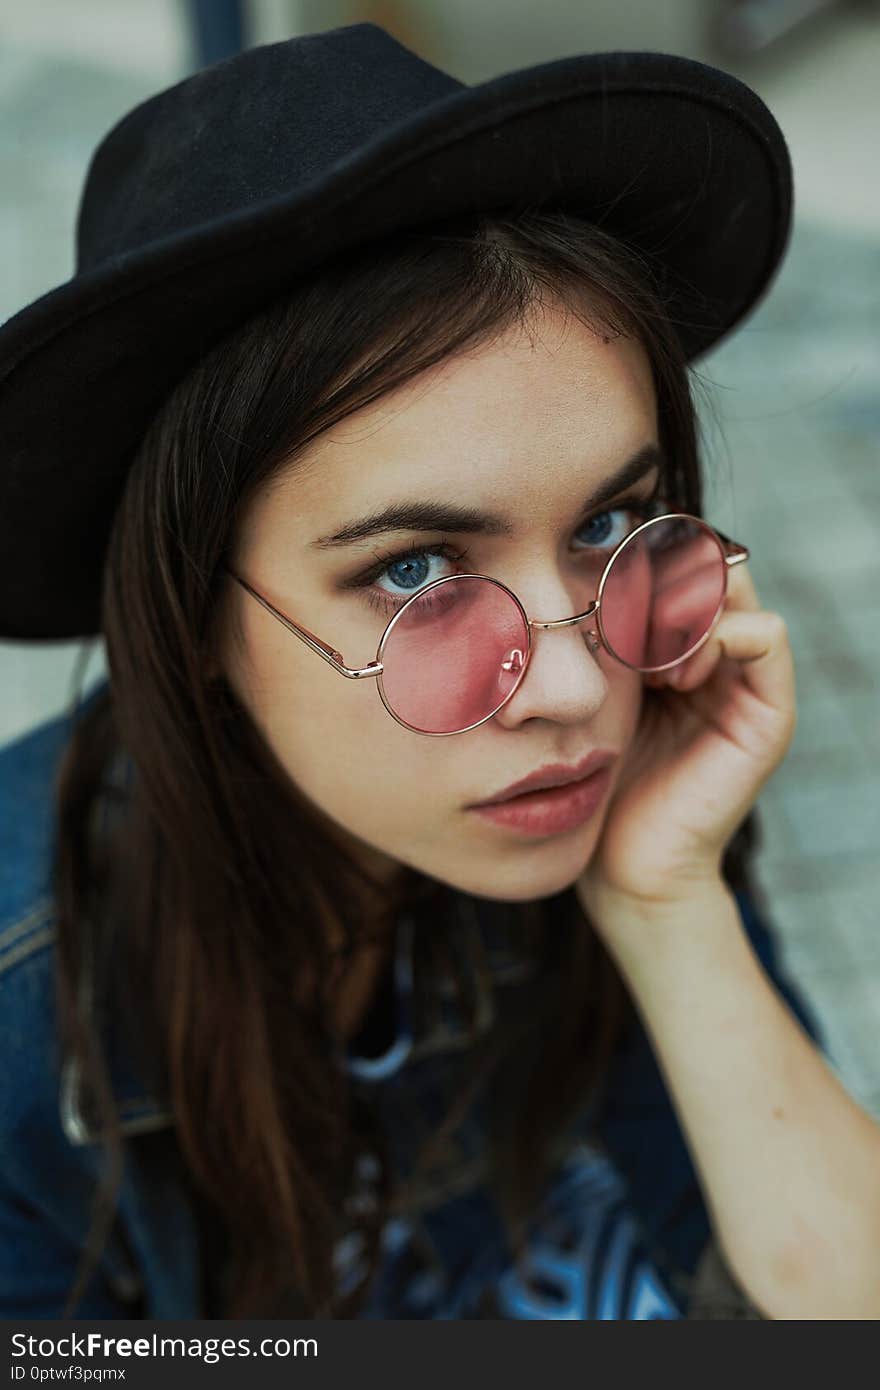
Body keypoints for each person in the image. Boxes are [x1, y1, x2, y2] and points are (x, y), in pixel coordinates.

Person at [1, 23, 879, 1322]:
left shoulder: (615, 792)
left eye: (604, 526)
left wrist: (666, 898)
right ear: (188, 613)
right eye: (414, 572)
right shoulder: (32, 1016)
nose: (575, 689)